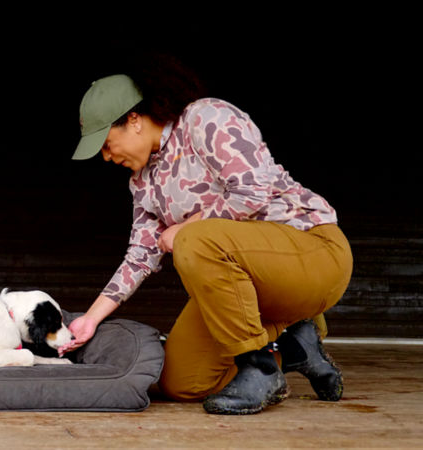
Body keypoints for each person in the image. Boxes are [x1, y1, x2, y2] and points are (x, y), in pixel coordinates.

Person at [58, 65, 353, 415]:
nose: (107, 157)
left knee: (195, 241)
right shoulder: (141, 182)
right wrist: (90, 319)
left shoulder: (204, 118)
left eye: (107, 144)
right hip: (250, 286)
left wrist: (182, 230)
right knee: (182, 382)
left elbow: (253, 190)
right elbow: (140, 256)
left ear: (134, 119)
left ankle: (258, 367)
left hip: (313, 252)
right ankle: (294, 345)